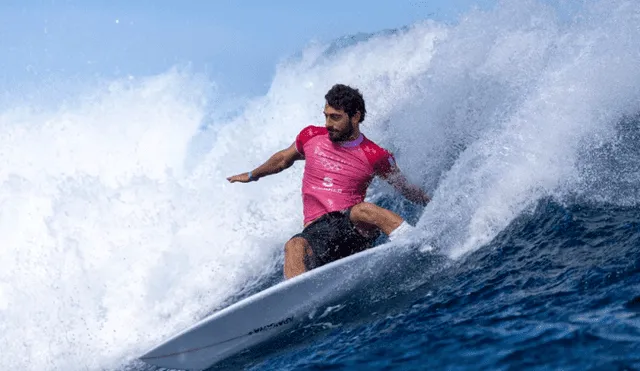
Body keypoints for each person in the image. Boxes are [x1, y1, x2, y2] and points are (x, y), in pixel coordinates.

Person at [227, 84, 430, 279]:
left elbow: (404, 187)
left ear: (356, 116)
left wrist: (431, 202)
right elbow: (282, 159)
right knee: (294, 246)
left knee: (364, 210)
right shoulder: (311, 136)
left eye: (335, 117)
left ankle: (418, 241)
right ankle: (297, 297)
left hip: (352, 228)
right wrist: (253, 175)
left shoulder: (375, 155)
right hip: (318, 232)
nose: (328, 124)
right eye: (326, 116)